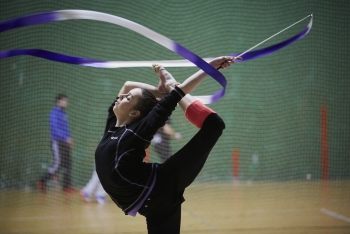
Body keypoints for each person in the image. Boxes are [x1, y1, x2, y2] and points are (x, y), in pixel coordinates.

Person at [95, 56, 241, 234]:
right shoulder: (113, 126)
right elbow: (127, 84)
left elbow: (179, 93)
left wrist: (209, 67)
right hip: (155, 204)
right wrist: (159, 92)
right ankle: (170, 87)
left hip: (163, 184)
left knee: (214, 125)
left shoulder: (139, 130)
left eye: (127, 98)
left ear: (134, 112)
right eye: (126, 96)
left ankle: (171, 85)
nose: (123, 95)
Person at [37, 94, 75, 193]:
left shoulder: (64, 114)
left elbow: (66, 129)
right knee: (58, 164)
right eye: (64, 101)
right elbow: (55, 130)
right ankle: (42, 181)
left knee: (68, 163)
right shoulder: (54, 114)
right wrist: (65, 138)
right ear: (59, 101)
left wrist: (69, 139)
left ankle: (66, 186)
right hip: (57, 142)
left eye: (66, 101)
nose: (66, 103)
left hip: (65, 142)